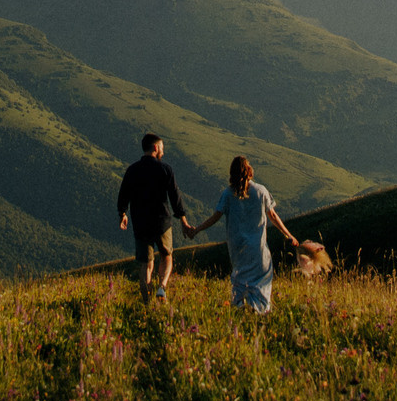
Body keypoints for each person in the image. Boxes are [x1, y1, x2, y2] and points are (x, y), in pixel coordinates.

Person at [187, 154, 300, 314]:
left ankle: (241, 310)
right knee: (261, 281)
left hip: (237, 248)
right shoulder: (261, 191)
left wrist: (197, 229)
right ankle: (259, 312)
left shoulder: (228, 194)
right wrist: (289, 235)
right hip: (258, 249)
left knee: (241, 281)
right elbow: (273, 216)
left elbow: (215, 217)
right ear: (249, 171)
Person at [116, 132, 192, 302]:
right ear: (156, 148)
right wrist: (183, 221)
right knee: (166, 256)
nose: (163, 153)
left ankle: (146, 303)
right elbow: (175, 197)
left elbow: (123, 195)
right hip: (162, 222)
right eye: (162, 149)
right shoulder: (165, 169)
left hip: (141, 223)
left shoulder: (132, 170)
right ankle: (162, 287)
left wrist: (122, 213)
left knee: (146, 264)